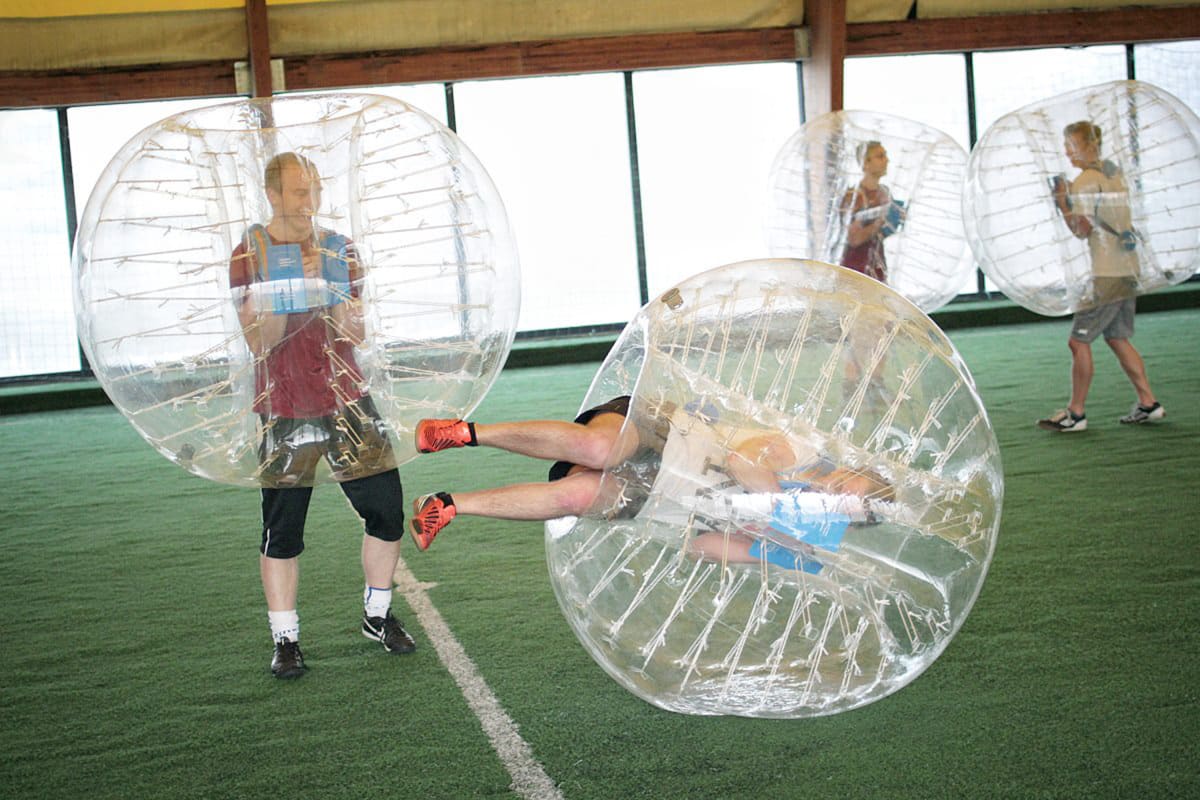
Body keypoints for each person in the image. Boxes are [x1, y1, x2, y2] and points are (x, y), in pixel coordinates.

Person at [230, 152, 416, 680]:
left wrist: (331, 286)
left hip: (348, 396)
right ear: (272, 195)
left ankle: (377, 616)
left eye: (314, 191)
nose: (309, 204)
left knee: (386, 511)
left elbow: (354, 334)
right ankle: (285, 638)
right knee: (282, 530)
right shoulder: (251, 252)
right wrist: (285, 288)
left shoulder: (339, 248)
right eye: (297, 193)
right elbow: (255, 343)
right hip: (283, 404)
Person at [406, 398, 893, 574]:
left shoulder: (800, 540)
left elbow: (701, 546)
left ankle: (446, 506)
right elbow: (743, 460)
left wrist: (768, 548)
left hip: (658, 498)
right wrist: (777, 511)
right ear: (849, 472)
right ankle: (465, 434)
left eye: (857, 510)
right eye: (857, 489)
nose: (847, 500)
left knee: (576, 497)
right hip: (667, 432)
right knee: (601, 451)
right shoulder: (803, 454)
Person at [1038, 121, 1164, 432]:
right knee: (1117, 338)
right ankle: (1149, 403)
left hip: (1106, 273)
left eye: (1071, 145)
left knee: (1078, 342)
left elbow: (1081, 230)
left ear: (1089, 146)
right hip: (1128, 268)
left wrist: (1061, 202)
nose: (1067, 152)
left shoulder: (1083, 182)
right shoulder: (1114, 173)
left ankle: (1076, 413)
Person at [838, 140, 903, 284]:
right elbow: (854, 239)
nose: (887, 160)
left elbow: (880, 235)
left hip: (877, 265)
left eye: (885, 155)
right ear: (865, 163)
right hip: (855, 268)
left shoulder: (884, 192)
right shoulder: (854, 195)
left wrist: (896, 220)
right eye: (880, 156)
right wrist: (881, 220)